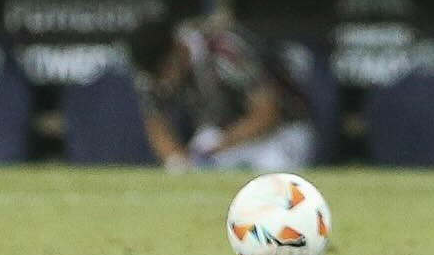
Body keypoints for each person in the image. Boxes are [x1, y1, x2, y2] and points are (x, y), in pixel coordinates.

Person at [133, 17, 315, 173]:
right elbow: (155, 121)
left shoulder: (223, 51)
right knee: (191, 166)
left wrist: (219, 146)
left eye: (165, 71)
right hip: (219, 136)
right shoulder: (151, 73)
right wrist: (176, 160)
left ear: (177, 48)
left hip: (280, 133)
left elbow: (267, 113)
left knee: (272, 175)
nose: (165, 81)